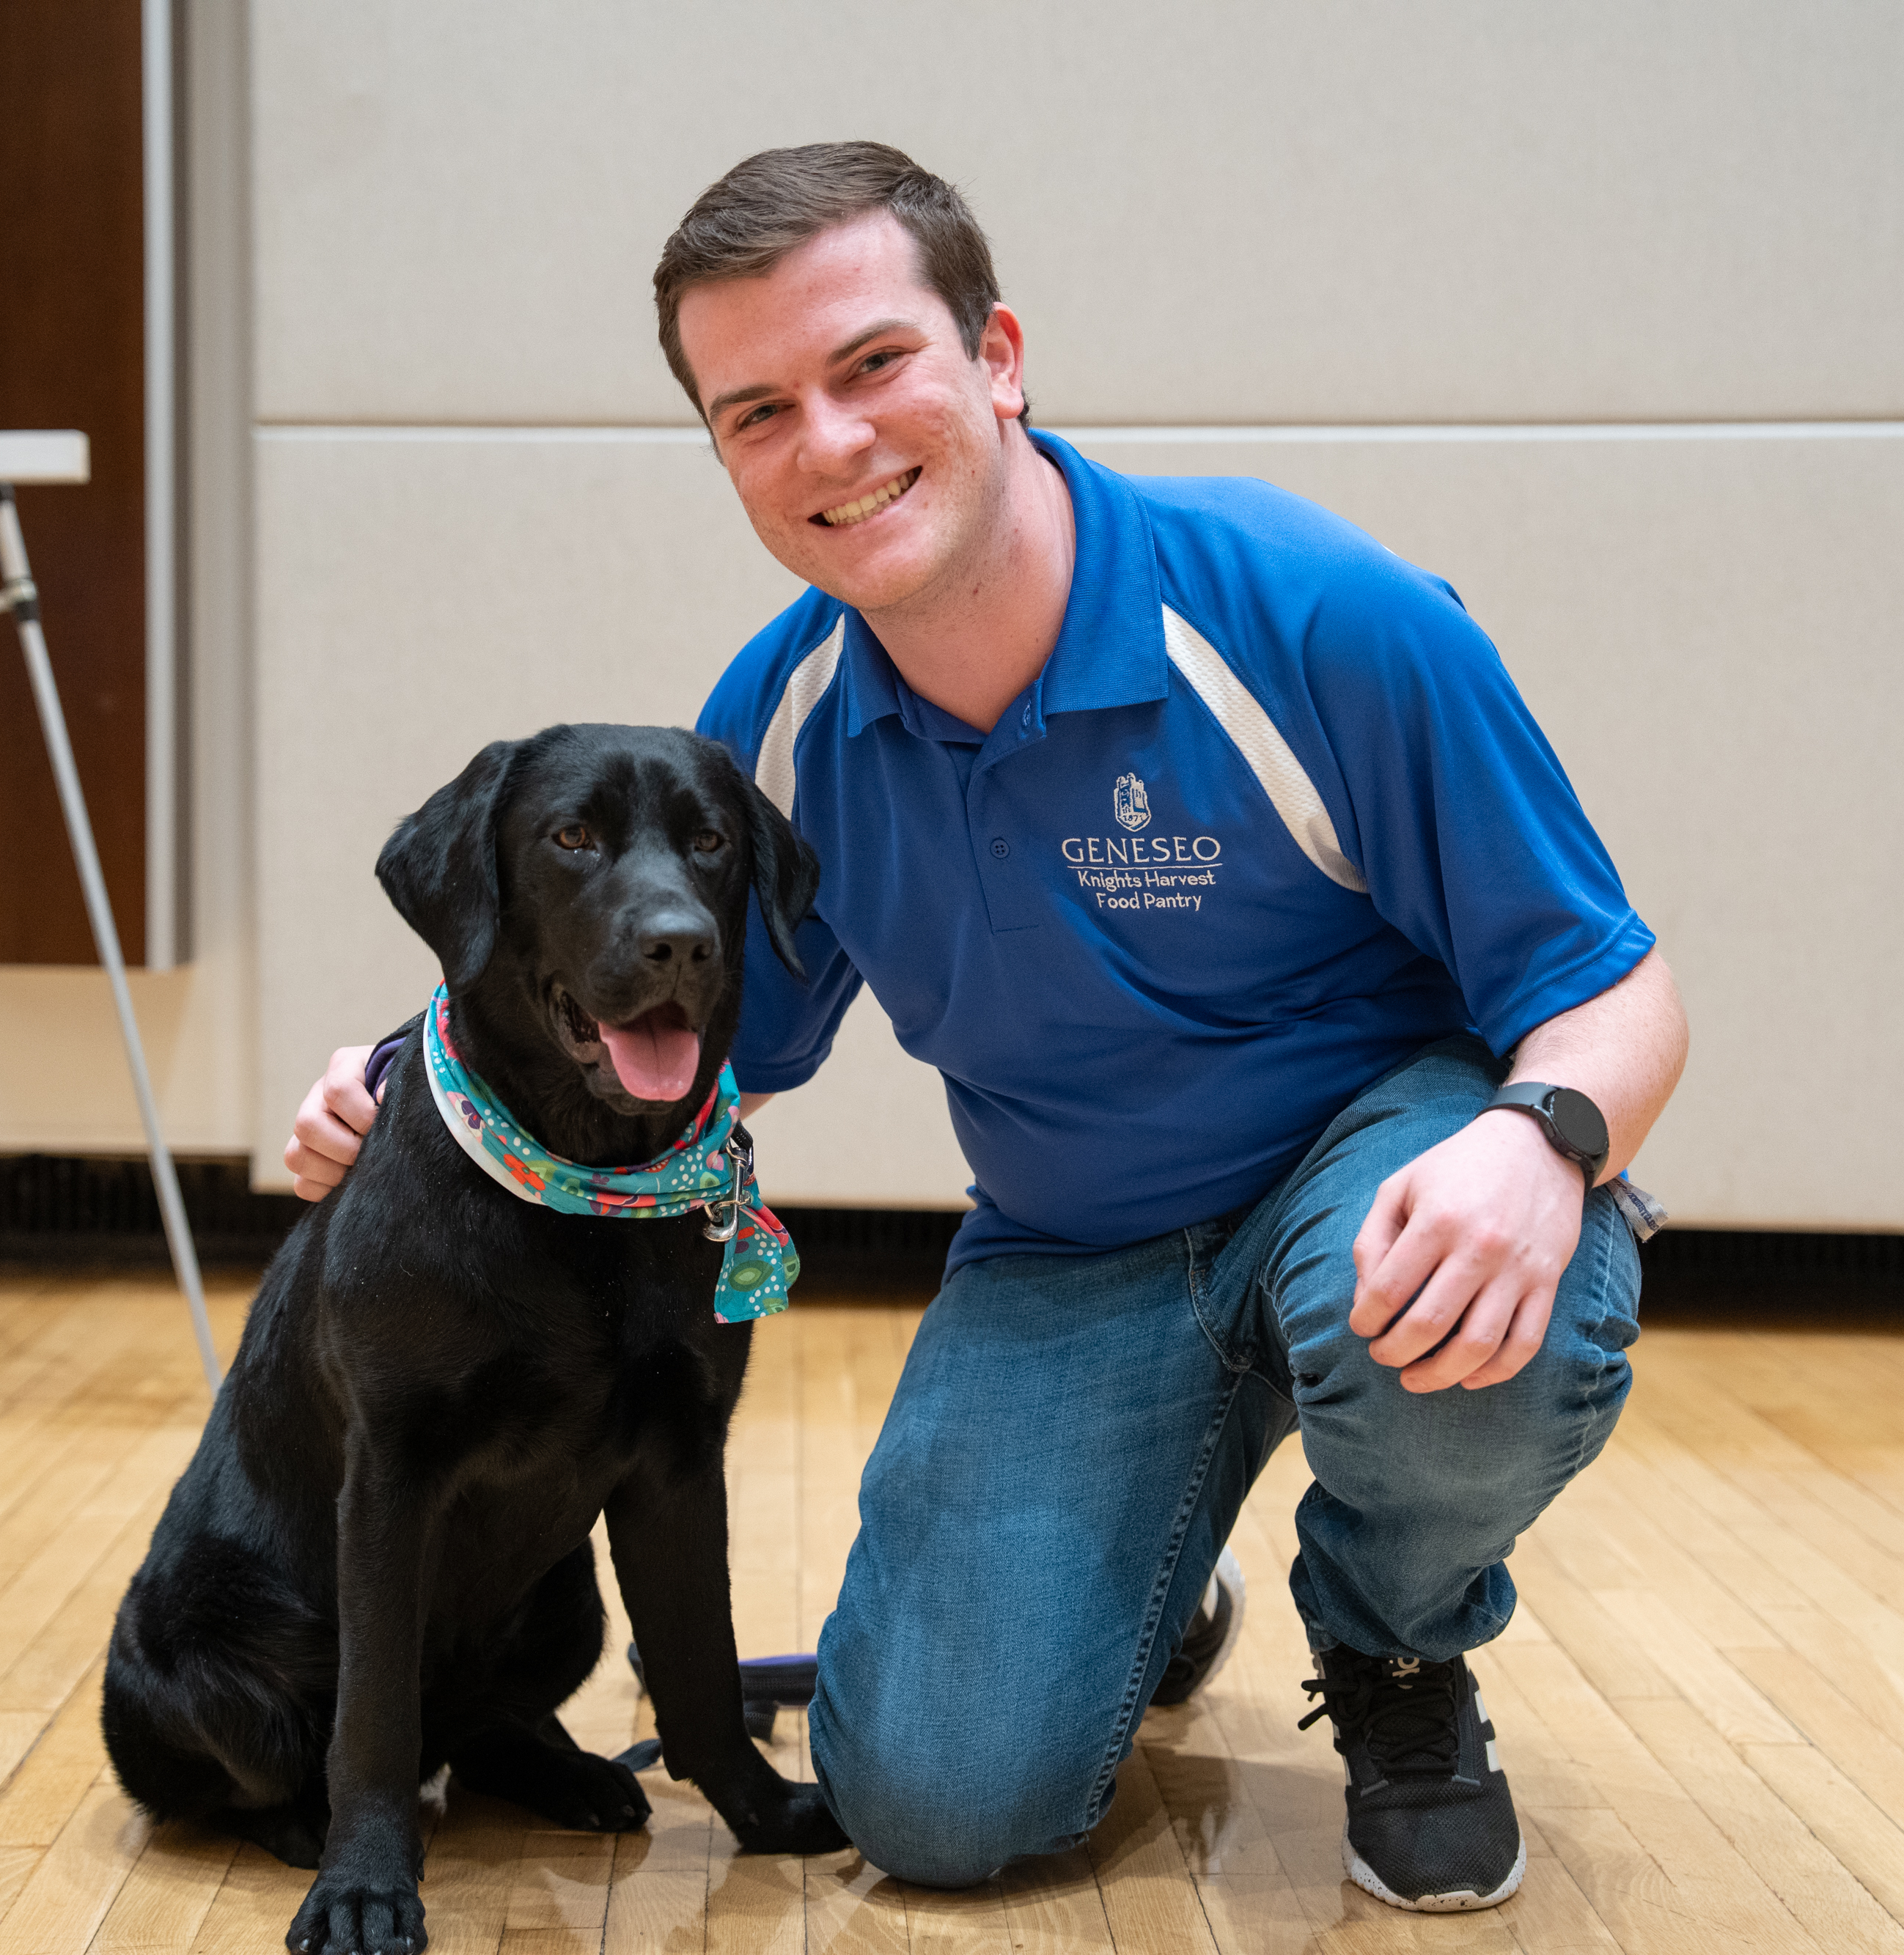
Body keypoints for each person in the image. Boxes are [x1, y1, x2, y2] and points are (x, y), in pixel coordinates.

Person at [288, 143, 1686, 1913]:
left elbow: (1616, 987)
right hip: (1077, 1248)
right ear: (724, 454)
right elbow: (664, 1023)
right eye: (757, 410)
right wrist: (403, 1081)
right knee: (932, 1805)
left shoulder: (1311, 612)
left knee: (1492, 1296)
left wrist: (1538, 1139)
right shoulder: (776, 728)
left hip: (1375, 1183)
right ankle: (1140, 1559)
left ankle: (1398, 1645)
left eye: (873, 365)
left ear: (997, 357)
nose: (831, 442)